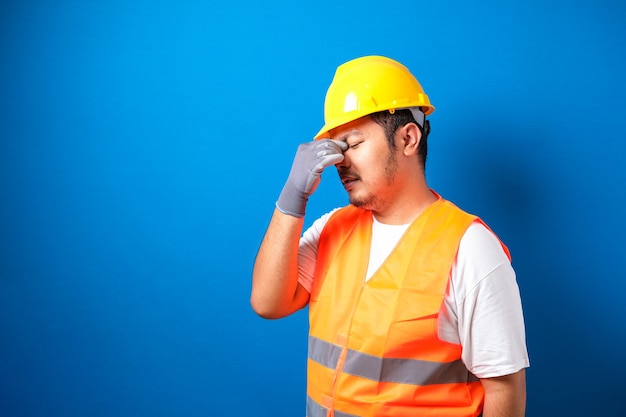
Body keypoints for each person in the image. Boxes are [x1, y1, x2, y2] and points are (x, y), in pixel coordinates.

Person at [251, 55, 529, 417]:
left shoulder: (470, 249)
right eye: (334, 148)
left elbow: (504, 392)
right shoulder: (332, 228)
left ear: (408, 138)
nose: (339, 162)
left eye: (352, 143)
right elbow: (267, 303)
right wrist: (292, 198)